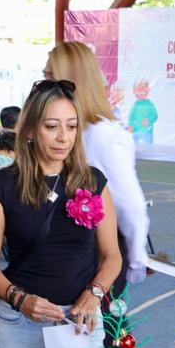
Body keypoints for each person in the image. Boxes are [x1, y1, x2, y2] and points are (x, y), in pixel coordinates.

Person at [0, 80, 120, 348]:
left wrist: (94, 293)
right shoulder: (2, 186)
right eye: (52, 126)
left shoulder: (94, 182)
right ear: (30, 130)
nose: (63, 138)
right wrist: (20, 299)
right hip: (18, 328)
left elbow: (112, 256)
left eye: (71, 127)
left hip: (78, 325)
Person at [46, 42, 151, 288]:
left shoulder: (102, 135)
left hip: (91, 262)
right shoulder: (68, 131)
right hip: (59, 256)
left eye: (51, 77)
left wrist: (137, 260)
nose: (43, 85)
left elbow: (130, 205)